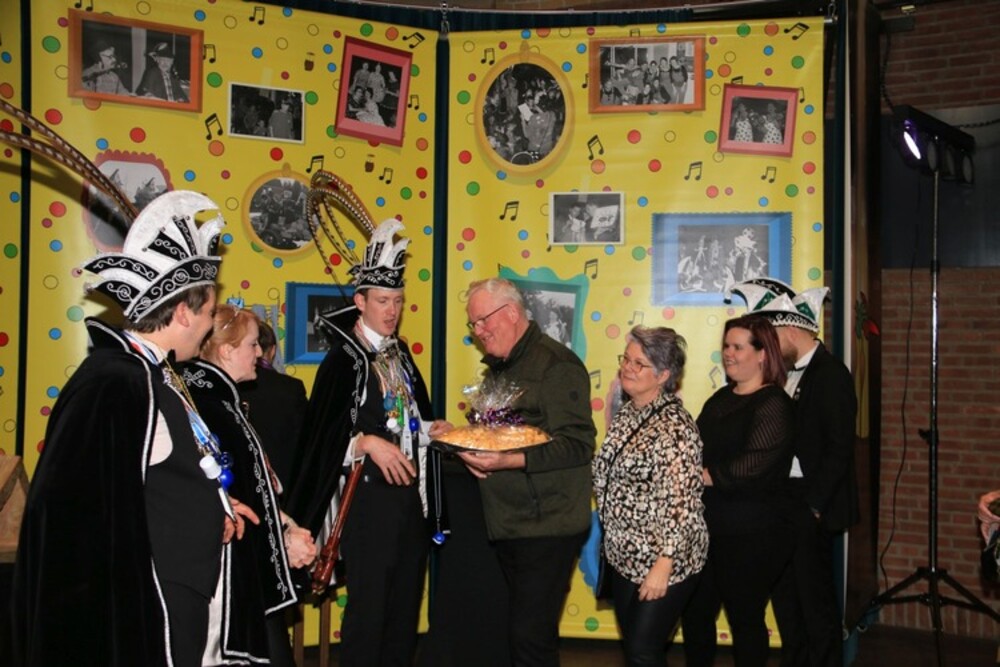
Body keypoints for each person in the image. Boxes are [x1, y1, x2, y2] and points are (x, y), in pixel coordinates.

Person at [12, 191, 260, 666]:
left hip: (182, 590)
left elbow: (157, 477)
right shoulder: (116, 383)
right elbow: (82, 515)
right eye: (209, 313)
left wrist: (216, 504)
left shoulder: (158, 374)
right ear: (183, 312)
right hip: (153, 600)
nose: (210, 327)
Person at [286, 219, 451, 667]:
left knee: (404, 611)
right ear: (360, 301)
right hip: (366, 503)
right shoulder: (342, 361)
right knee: (369, 612)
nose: (391, 310)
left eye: (397, 300)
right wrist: (365, 442)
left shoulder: (401, 354)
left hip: (408, 503)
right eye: (382, 300)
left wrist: (430, 429)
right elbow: (319, 440)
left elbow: (407, 418)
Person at [456, 277, 596, 667]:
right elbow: (499, 433)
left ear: (512, 313)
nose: (479, 331)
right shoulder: (501, 369)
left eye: (483, 321)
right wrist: (459, 437)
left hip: (548, 525)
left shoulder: (556, 366)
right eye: (473, 324)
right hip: (512, 523)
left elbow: (578, 444)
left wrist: (509, 460)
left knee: (530, 639)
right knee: (527, 635)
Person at [729, 278, 859, 667]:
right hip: (782, 501)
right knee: (786, 599)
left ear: (789, 330)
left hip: (810, 504)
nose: (766, 347)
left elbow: (839, 448)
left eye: (770, 337)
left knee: (815, 602)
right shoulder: (782, 375)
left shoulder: (832, 374)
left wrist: (815, 506)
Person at [681, 314, 794, 667]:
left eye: (738, 347)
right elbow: (693, 445)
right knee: (695, 613)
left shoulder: (773, 402)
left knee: (745, 619)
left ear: (762, 354)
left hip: (752, 534)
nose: (729, 353)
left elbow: (753, 464)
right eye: (726, 346)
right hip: (708, 529)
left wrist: (700, 475)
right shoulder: (720, 398)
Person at [592, 326, 708, 666]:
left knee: (642, 650)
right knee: (638, 649)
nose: (627, 368)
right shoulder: (629, 412)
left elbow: (682, 503)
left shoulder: (676, 427)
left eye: (639, 363)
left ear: (663, 375)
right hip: (625, 557)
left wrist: (664, 563)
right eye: (626, 359)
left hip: (665, 559)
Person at [239, 319, 308, 486]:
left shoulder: (231, 385)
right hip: (286, 480)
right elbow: (307, 439)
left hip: (243, 479)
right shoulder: (291, 387)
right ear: (273, 350)